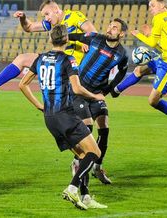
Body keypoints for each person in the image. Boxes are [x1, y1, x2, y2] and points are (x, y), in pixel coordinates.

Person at [19, 24, 107, 210]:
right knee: (95, 153)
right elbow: (76, 88)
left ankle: (85, 197)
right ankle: (72, 188)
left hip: (49, 118)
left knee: (83, 156)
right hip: (66, 115)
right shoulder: (69, 59)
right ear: (66, 40)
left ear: (50, 39)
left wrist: (38, 105)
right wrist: (95, 96)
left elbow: (22, 85)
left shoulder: (40, 59)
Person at [0, 0, 96, 98]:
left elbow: (93, 33)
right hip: (57, 60)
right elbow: (29, 27)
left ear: (56, 9)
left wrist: (82, 42)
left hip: (72, 63)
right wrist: (23, 18)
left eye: (47, 14)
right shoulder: (51, 24)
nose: (46, 18)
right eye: (44, 16)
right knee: (21, 59)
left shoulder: (74, 16)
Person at [68, 18, 129, 184]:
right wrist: (76, 45)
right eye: (110, 25)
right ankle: (77, 161)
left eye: (114, 27)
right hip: (80, 90)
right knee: (87, 128)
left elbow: (122, 72)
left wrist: (109, 89)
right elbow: (69, 36)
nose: (109, 29)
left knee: (104, 131)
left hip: (97, 94)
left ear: (121, 33)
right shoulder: (94, 37)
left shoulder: (122, 54)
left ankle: (97, 167)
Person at [113, 0, 167, 119]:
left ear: (162, 6)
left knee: (153, 101)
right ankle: (116, 90)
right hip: (164, 57)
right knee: (139, 70)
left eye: (153, 5)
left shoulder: (158, 18)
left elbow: (152, 43)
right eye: (149, 6)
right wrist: (149, 34)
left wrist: (140, 35)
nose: (150, 9)